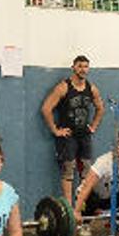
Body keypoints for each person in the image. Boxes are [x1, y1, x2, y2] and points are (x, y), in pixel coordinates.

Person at [40, 55, 105, 206]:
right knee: (68, 172)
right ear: (73, 67)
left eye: (85, 66)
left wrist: (93, 126)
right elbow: (46, 109)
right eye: (80, 66)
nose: (83, 69)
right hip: (68, 137)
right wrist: (55, 130)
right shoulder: (63, 87)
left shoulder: (91, 88)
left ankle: (81, 206)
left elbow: (100, 108)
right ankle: (69, 207)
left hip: (84, 136)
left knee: (86, 171)